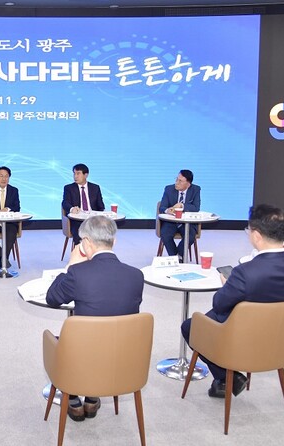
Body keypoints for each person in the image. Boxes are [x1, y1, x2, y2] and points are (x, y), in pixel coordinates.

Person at [181, 204, 284, 398]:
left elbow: (219, 304)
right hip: (282, 340)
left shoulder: (245, 272)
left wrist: (227, 285)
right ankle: (225, 380)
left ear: (257, 235)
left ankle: (227, 377)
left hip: (243, 339)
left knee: (190, 326)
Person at [46, 216, 143, 422]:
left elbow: (52, 298)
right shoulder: (136, 275)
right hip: (123, 355)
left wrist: (70, 265)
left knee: (63, 339)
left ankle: (73, 396)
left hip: (85, 357)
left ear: (87, 242)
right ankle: (91, 398)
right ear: (114, 241)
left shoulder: (77, 273)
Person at [159, 169, 201, 260]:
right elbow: (162, 207)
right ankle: (176, 258)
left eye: (180, 181)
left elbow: (196, 208)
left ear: (188, 184)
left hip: (187, 222)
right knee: (165, 235)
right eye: (176, 179)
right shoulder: (169, 189)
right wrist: (167, 210)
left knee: (190, 236)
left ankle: (178, 255)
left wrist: (182, 205)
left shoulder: (196, 189)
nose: (176, 183)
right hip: (171, 222)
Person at [61, 163, 105, 245]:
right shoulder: (69, 188)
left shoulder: (95, 188)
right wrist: (72, 209)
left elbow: (101, 206)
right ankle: (80, 251)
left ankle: (98, 251)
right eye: (74, 173)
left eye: (78, 173)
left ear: (86, 175)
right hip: (77, 220)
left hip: (93, 219)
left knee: (104, 230)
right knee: (79, 232)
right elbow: (65, 202)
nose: (75, 176)